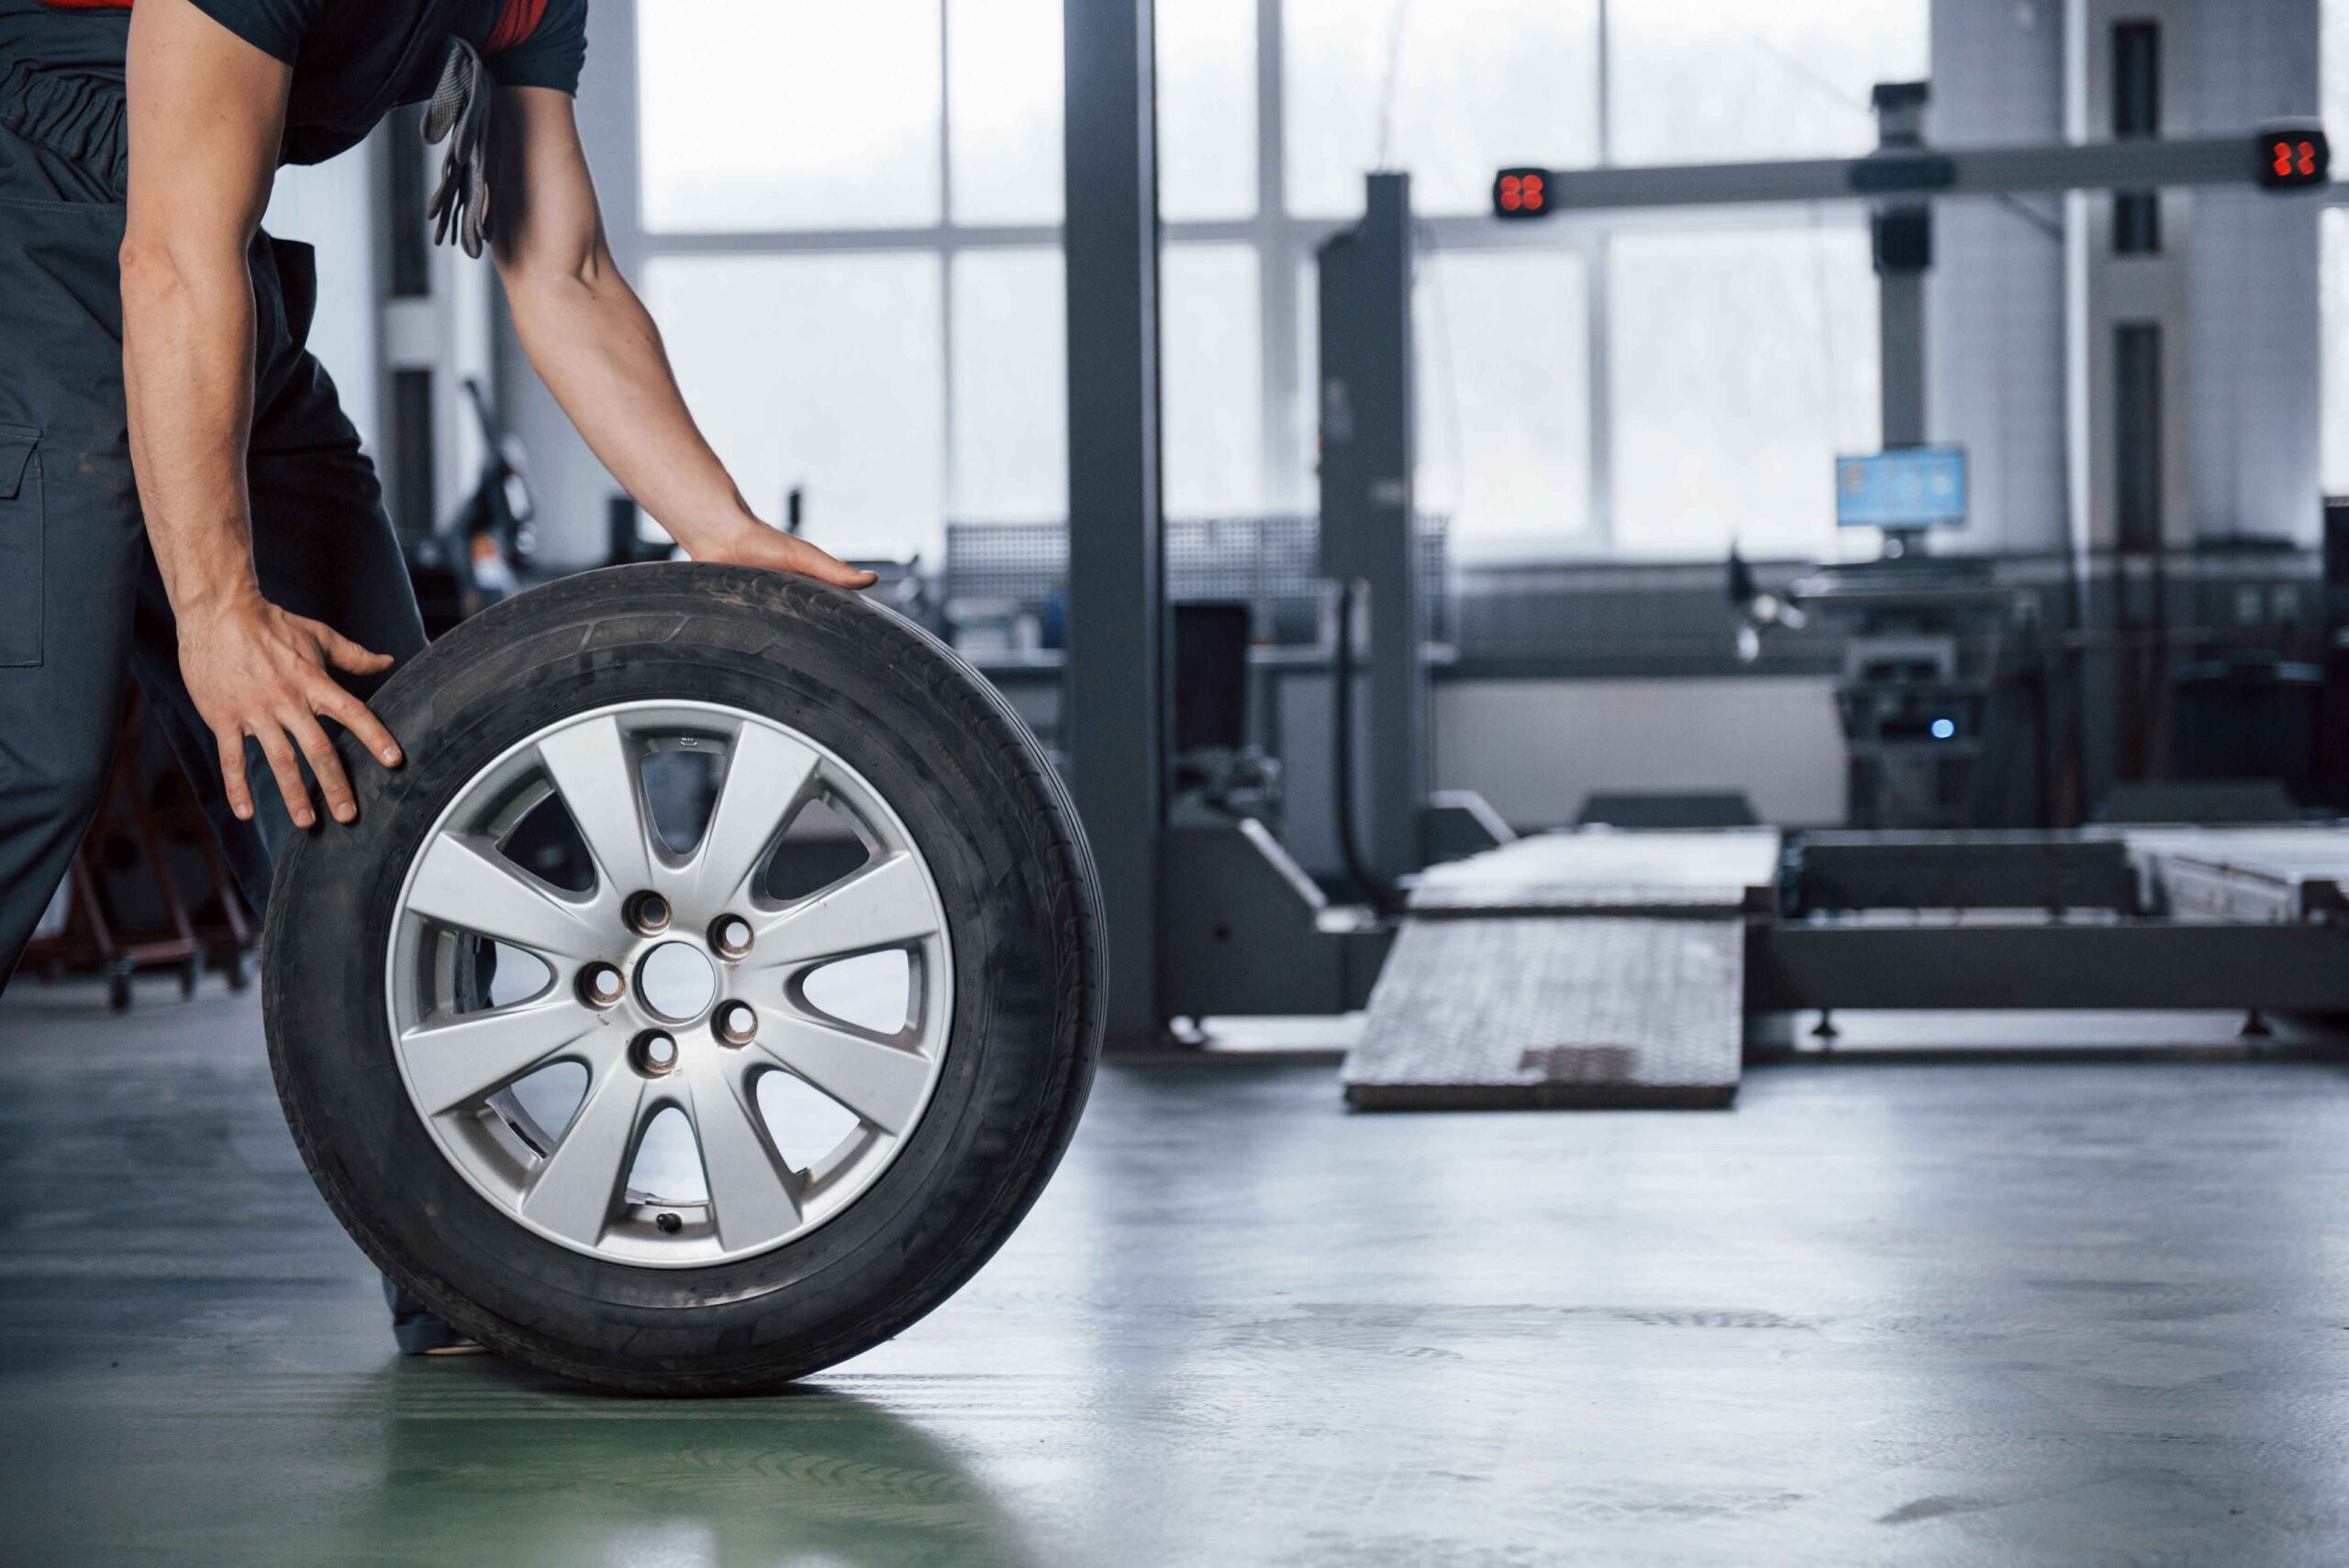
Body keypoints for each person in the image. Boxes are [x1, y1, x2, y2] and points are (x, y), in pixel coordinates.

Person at [0, 0, 874, 1349]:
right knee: (31, 758)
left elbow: (560, 263)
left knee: (380, 781)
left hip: (198, 278)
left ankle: (461, 1266)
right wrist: (218, 607)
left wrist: (717, 523)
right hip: (42, 254)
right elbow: (165, 261)